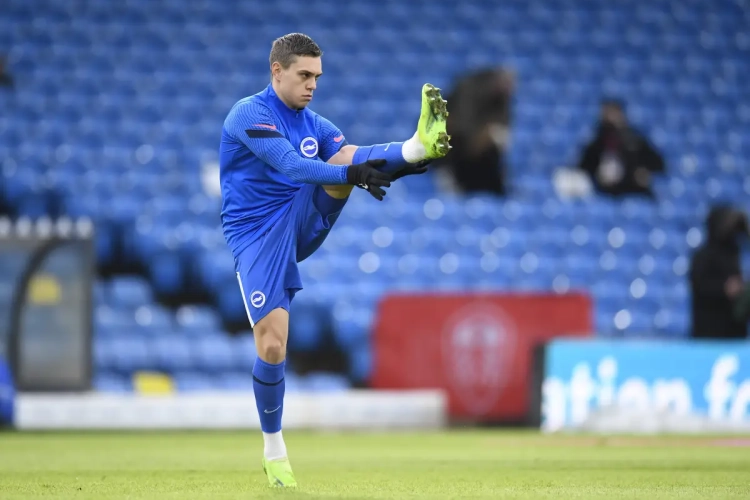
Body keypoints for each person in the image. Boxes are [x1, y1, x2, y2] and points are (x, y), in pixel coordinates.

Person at [219, 33, 450, 487]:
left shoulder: (316, 124)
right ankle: (274, 449)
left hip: (300, 216)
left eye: (317, 78)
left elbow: (352, 159)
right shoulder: (249, 114)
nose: (311, 86)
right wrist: (352, 173)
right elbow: (294, 166)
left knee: (345, 154)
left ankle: (417, 145)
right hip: (257, 234)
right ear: (277, 71)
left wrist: (403, 163)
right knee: (272, 346)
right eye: (303, 76)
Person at [577, 99, 665, 197]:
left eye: (612, 113)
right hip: (603, 192)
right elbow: (583, 166)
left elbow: (658, 164)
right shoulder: (597, 141)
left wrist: (643, 171)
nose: (609, 118)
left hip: (633, 191)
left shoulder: (634, 140)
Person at [689, 205, 748, 339]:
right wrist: (724, 288)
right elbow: (698, 285)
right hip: (708, 330)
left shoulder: (734, 253)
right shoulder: (702, 256)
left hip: (734, 330)